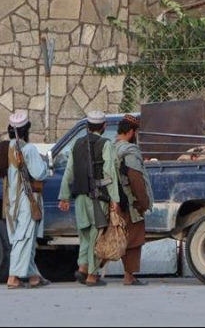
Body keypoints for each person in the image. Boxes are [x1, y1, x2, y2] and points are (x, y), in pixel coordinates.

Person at [58, 110, 120, 287]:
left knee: (84, 234)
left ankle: (83, 267)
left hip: (79, 199)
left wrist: (64, 197)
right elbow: (110, 174)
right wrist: (115, 199)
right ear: (104, 127)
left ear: (87, 127)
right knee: (96, 234)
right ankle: (92, 275)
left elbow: (69, 173)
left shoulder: (77, 144)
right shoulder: (105, 144)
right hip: (98, 198)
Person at [3, 110, 49, 289]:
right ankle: (13, 277)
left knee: (23, 238)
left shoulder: (5, 148)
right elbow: (39, 173)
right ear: (27, 129)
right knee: (24, 238)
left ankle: (34, 277)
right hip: (26, 199)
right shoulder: (28, 149)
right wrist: (44, 165)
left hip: (10, 200)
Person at [114, 114, 154, 286]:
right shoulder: (130, 151)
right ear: (131, 132)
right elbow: (135, 178)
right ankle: (129, 276)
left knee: (124, 237)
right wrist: (142, 202)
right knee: (134, 239)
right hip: (130, 202)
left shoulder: (111, 148)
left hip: (116, 200)